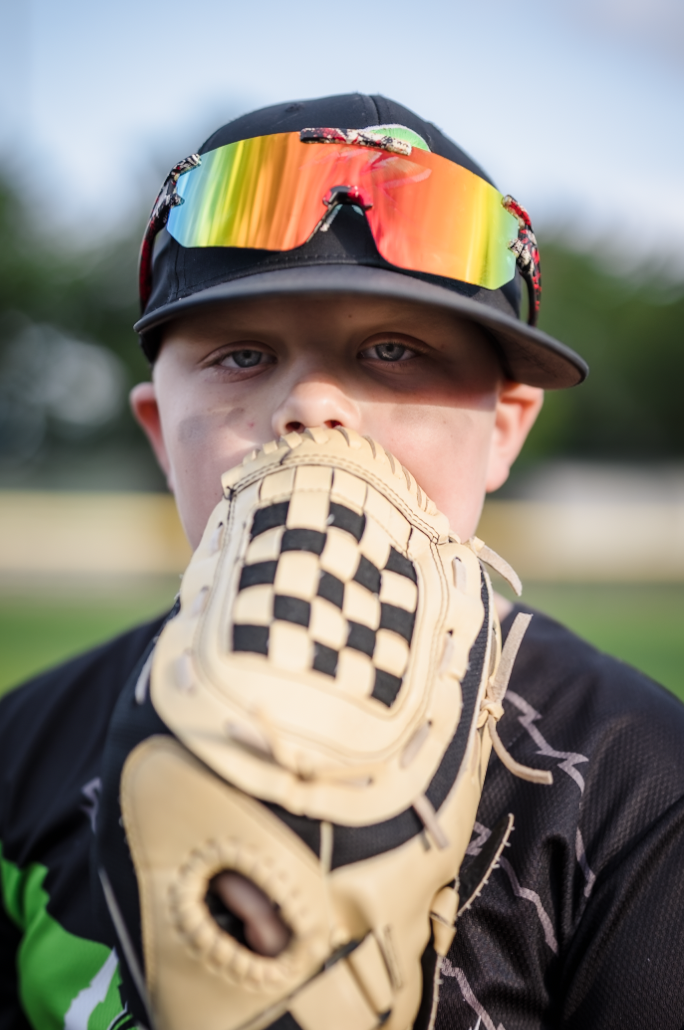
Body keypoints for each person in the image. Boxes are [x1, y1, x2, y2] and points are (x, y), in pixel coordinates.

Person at [1, 93, 683, 1030]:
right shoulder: (21, 746)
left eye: (394, 351)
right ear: (162, 434)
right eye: (243, 355)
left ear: (505, 431)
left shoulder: (641, 781)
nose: (316, 405)